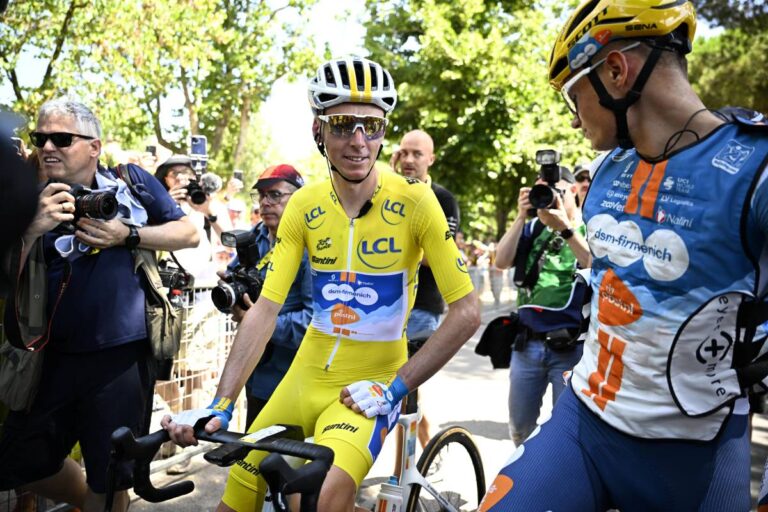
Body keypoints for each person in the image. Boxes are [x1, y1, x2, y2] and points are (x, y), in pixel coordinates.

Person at [481, 1, 768, 510]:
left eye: (574, 98)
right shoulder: (608, 170)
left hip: (698, 455)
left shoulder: (756, 171)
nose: (573, 123)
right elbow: (618, 277)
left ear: (615, 71)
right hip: (584, 424)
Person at [162, 55, 480, 512]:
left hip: (369, 388)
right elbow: (265, 311)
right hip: (302, 379)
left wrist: (394, 388)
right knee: (237, 498)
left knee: (320, 499)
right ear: (319, 131)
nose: (358, 141)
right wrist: (221, 403)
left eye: (372, 126)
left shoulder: (416, 201)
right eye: (343, 125)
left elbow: (466, 312)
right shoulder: (304, 205)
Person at [0, 99, 198, 512]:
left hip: (121, 361)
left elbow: (188, 232)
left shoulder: (132, 181)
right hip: (47, 358)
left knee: (111, 478)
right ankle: (81, 499)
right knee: (22, 463)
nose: (48, 146)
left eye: (62, 138)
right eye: (41, 138)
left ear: (94, 147)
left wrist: (127, 234)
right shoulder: (20, 196)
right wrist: (33, 225)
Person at [494, 166, 590, 446]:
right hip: (527, 345)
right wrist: (521, 216)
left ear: (573, 191)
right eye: (540, 193)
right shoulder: (533, 228)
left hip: (571, 348)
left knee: (566, 433)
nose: (547, 199)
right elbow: (500, 261)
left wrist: (566, 230)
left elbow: (596, 266)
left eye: (555, 192)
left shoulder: (589, 228)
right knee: (520, 427)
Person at [390, 129, 461, 461]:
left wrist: (394, 250)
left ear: (431, 159)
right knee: (402, 389)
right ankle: (429, 449)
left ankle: (405, 468)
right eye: (403, 152)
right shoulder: (387, 193)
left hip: (422, 309)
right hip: (386, 307)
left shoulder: (443, 199)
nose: (408, 160)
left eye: (417, 154)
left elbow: (439, 256)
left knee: (400, 387)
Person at [230, 163, 312, 426]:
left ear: (298, 199)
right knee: (253, 451)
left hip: (293, 378)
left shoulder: (314, 246)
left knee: (285, 460)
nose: (265, 202)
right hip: (255, 372)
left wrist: (257, 322)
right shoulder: (254, 239)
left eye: (275, 195)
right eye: (261, 195)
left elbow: (313, 320)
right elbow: (233, 282)